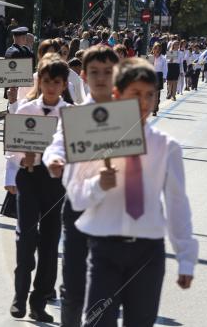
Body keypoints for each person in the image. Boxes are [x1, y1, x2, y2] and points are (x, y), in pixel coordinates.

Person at [68, 58, 198, 327]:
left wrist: (186, 258)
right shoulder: (94, 136)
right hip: (105, 249)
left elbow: (177, 204)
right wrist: (98, 185)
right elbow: (76, 196)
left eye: (149, 95)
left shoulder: (166, 147)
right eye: (135, 94)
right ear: (117, 95)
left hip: (147, 254)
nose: (144, 103)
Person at [42, 46, 119, 327]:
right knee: (73, 288)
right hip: (77, 206)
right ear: (84, 75)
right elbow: (56, 144)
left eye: (107, 72)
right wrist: (54, 160)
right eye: (95, 72)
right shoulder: (74, 115)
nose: (101, 78)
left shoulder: (126, 116)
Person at [5, 54, 71, 321]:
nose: (51, 87)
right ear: (40, 82)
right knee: (26, 237)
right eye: (46, 81)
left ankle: (39, 300)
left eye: (56, 82)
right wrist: (21, 163)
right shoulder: (26, 109)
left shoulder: (69, 114)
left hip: (56, 183)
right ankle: (20, 295)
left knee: (50, 241)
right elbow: (12, 149)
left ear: (64, 84)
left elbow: (76, 151)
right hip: (29, 178)